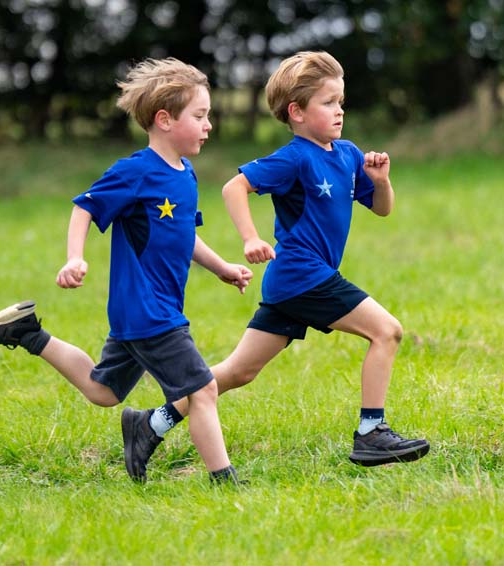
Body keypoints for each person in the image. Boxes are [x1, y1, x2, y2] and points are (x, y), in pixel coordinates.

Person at [132, 50, 430, 470]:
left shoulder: (346, 154)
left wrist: (381, 181)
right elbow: (234, 188)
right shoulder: (293, 157)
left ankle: (152, 423)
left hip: (295, 283)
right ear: (297, 112)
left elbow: (381, 209)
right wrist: (250, 237)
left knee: (239, 371)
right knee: (387, 332)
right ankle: (372, 433)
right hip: (303, 275)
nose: (339, 111)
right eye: (328, 103)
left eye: (340, 101)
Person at [0, 57, 252, 484]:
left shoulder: (185, 174)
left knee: (103, 391)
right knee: (203, 390)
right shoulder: (136, 171)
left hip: (145, 311)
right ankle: (224, 480)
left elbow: (182, 236)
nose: (209, 125)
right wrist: (75, 257)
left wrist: (220, 267)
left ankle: (27, 332)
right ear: (165, 120)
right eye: (200, 115)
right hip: (150, 311)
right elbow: (85, 206)